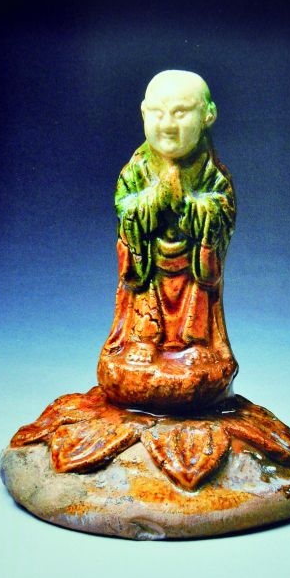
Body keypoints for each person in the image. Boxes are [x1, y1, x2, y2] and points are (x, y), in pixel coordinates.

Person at [99, 70, 237, 402]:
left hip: (192, 269)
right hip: (150, 266)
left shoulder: (212, 175)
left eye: (180, 112)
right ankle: (143, 340)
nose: (168, 124)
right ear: (143, 113)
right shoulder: (135, 172)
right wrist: (157, 199)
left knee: (198, 290)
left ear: (207, 116)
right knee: (144, 288)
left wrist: (192, 206)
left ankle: (196, 343)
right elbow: (126, 212)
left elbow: (222, 214)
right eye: (158, 113)